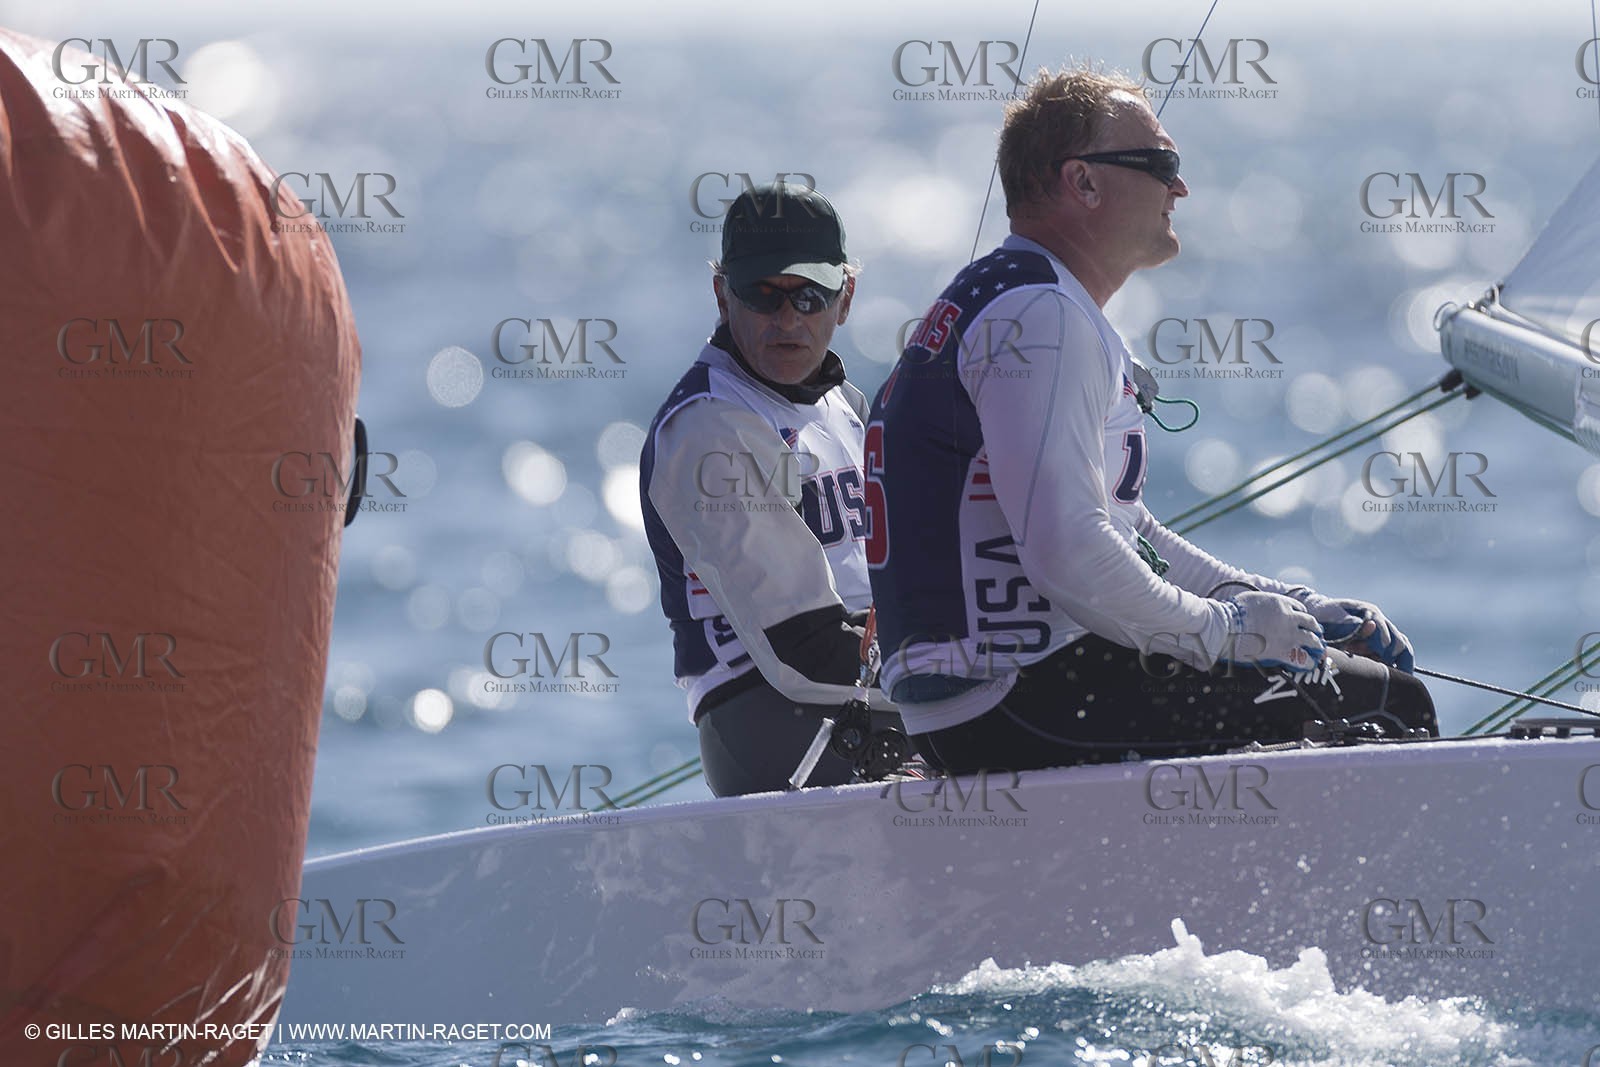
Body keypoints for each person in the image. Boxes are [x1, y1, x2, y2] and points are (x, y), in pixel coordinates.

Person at [865, 68, 1436, 774]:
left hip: (980, 699)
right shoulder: (1043, 318)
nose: (1180, 188)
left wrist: (1279, 604)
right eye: (1161, 164)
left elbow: (1125, 531)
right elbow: (1067, 552)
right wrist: (1228, 631)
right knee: (1388, 705)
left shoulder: (1014, 298)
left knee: (1340, 680)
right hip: (1017, 697)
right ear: (1084, 183)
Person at [641, 183, 900, 796]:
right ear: (721, 295)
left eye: (809, 296)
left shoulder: (845, 406)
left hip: (875, 698)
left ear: (846, 298)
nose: (788, 320)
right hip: (772, 720)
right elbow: (802, 647)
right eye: (763, 295)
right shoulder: (707, 426)